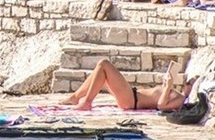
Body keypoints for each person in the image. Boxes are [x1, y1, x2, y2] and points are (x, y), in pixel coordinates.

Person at [60, 57, 195, 111]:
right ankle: (76, 97)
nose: (186, 84)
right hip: (132, 95)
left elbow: (161, 106)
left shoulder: (180, 100)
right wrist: (167, 85)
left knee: (104, 64)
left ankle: (87, 102)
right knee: (100, 72)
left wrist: (168, 87)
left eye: (190, 84)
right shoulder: (179, 94)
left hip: (132, 100)